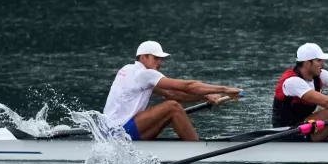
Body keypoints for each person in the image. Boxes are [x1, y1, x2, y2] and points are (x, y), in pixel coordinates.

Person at [103, 41, 243, 141]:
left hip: (110, 132)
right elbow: (188, 86)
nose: (159, 63)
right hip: (120, 133)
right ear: (143, 57)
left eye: (161, 59)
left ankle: (189, 145)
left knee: (172, 104)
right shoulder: (145, 74)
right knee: (173, 107)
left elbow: (172, 94)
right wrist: (225, 89)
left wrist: (205, 96)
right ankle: (196, 149)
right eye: (156, 58)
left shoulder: (127, 70)